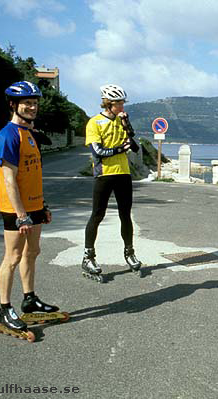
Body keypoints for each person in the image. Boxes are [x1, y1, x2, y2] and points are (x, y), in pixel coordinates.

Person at [0, 81, 60, 335]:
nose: (32, 107)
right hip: (15, 209)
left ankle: (29, 299)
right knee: (12, 258)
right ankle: (4, 308)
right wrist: (21, 215)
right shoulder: (7, 135)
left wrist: (41, 206)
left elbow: (32, 174)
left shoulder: (30, 134)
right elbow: (9, 179)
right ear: (13, 105)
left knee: (32, 252)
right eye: (27, 103)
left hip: (33, 206)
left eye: (34, 103)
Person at [81, 84, 141, 281]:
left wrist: (127, 126)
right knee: (97, 215)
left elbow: (134, 148)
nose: (122, 106)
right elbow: (98, 152)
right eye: (119, 103)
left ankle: (129, 253)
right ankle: (88, 257)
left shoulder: (121, 121)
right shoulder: (95, 123)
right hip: (104, 174)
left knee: (126, 215)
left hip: (123, 173)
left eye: (123, 102)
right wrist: (119, 149)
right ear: (109, 104)